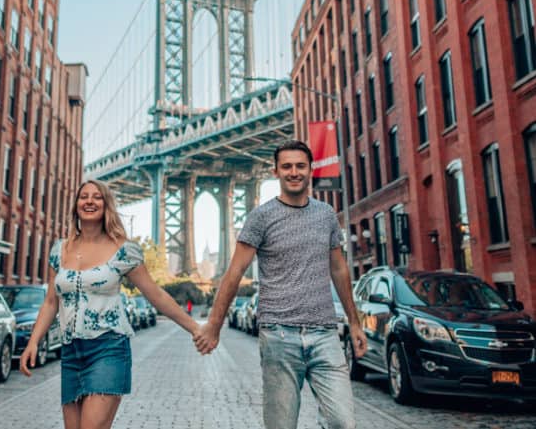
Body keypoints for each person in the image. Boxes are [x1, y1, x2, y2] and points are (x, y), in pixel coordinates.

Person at [194, 140, 367, 429]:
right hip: (279, 336)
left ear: (311, 170)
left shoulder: (325, 215)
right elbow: (235, 272)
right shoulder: (260, 217)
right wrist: (214, 325)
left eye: (300, 166)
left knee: (342, 422)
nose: (294, 172)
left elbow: (338, 269)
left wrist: (355, 322)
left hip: (325, 334)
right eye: (287, 166)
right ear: (276, 172)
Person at [20, 179, 200, 429]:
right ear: (76, 205)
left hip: (108, 349)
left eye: (97, 197)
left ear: (106, 206)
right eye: (84, 196)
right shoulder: (59, 250)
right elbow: (51, 302)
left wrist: (195, 328)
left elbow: (155, 295)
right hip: (71, 352)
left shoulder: (123, 251)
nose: (89, 201)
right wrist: (33, 342)